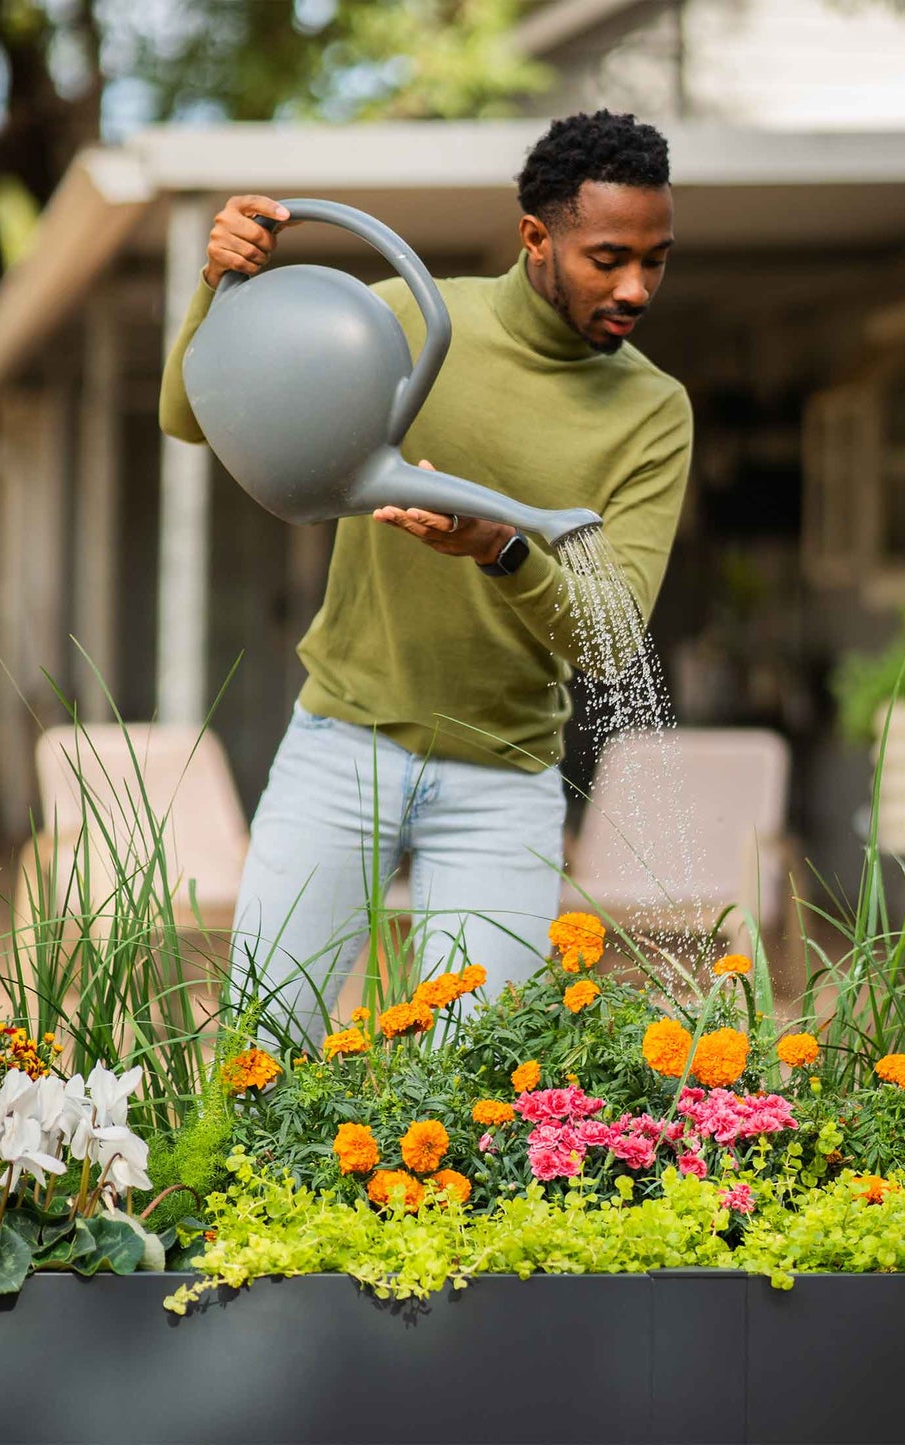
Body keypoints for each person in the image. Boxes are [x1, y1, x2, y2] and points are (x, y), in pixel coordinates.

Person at [159, 109, 693, 1046]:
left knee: (474, 1086)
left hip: (504, 779)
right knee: (265, 1050)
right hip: (340, 748)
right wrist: (219, 288)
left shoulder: (651, 412)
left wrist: (501, 548)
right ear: (537, 236)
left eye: (654, 258)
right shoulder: (410, 317)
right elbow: (189, 416)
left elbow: (611, 638)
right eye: (608, 257)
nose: (636, 286)